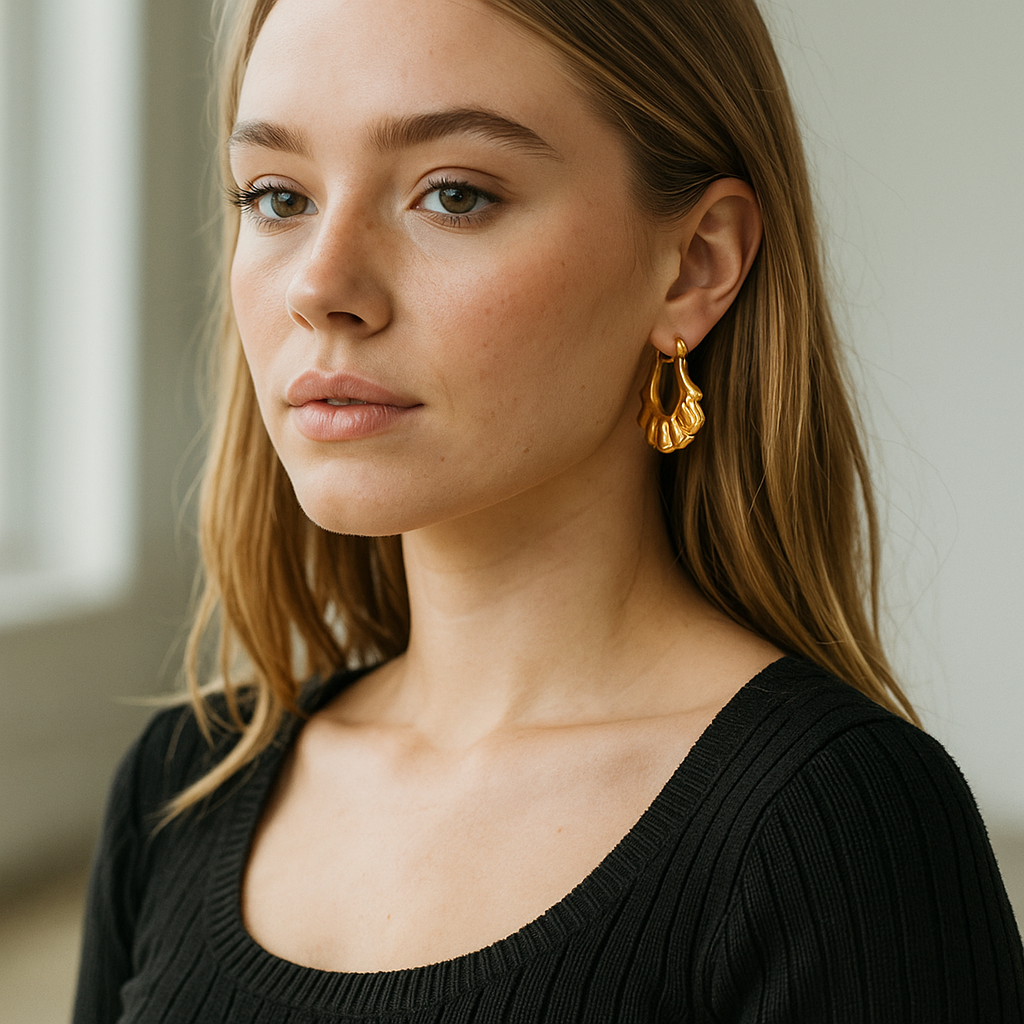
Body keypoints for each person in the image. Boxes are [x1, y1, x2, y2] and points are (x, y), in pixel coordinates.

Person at [73, 0, 1024, 1020]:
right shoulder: (183, 786)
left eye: (453, 195)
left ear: (696, 263)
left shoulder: (838, 830)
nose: (320, 285)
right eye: (276, 196)